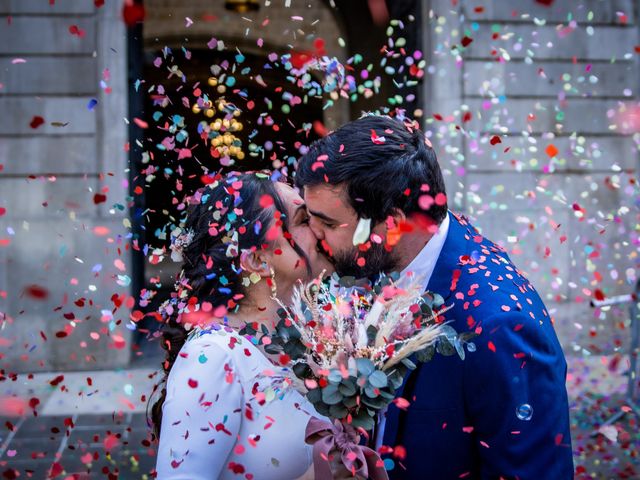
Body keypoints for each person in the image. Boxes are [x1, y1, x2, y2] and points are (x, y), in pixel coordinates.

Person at [295, 114, 574, 479]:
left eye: (329, 224)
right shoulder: (390, 262)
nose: (314, 235)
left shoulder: (498, 326)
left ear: (391, 224)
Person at [151, 171, 332, 479]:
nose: (319, 229)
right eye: (303, 220)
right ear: (258, 260)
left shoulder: (310, 335)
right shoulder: (212, 357)